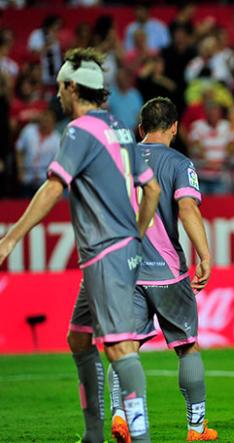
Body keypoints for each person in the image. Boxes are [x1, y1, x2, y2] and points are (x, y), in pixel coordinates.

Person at [0, 48, 161, 442]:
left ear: (73, 87)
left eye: (59, 87)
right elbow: (151, 187)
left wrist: (10, 237)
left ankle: (140, 438)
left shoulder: (79, 130)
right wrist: (136, 234)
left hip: (107, 251)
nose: (56, 94)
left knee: (120, 348)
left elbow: (54, 186)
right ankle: (93, 435)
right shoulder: (119, 127)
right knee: (79, 338)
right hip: (114, 251)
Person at [106, 97, 217, 442]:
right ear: (174, 127)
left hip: (125, 268)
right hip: (167, 271)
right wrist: (205, 255)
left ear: (140, 129)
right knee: (187, 346)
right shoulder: (179, 163)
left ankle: (120, 415)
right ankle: (196, 429)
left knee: (124, 346)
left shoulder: (119, 159)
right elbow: (187, 209)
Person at [15, 109, 60, 197]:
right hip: (27, 177)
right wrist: (20, 170)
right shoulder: (28, 131)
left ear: (53, 122)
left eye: (48, 120)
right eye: (43, 119)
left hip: (44, 180)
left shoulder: (57, 139)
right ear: (39, 120)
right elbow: (19, 150)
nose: (45, 123)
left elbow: (57, 162)